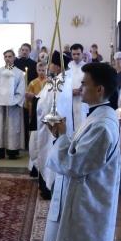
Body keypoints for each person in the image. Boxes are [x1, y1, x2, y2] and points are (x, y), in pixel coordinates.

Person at [34, 62, 120, 241]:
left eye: (85, 83)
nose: (80, 88)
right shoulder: (96, 117)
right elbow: (78, 151)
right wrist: (64, 137)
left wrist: (61, 137)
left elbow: (75, 163)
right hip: (78, 202)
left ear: (100, 89)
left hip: (87, 209)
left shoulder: (103, 125)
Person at [31, 52, 74, 199]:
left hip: (51, 126)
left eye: (51, 63)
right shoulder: (63, 79)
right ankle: (49, 187)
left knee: (48, 153)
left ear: (57, 66)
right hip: (53, 124)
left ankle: (49, 189)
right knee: (49, 153)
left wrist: (37, 103)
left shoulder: (59, 81)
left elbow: (48, 103)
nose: (48, 66)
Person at [0, 49, 27, 159]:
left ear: (14, 58)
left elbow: (21, 89)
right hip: (0, 105)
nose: (7, 58)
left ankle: (12, 151)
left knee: (13, 127)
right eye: (5, 56)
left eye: (10, 56)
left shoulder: (19, 73)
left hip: (13, 106)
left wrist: (13, 100)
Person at [68, 44, 88, 129]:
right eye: (74, 54)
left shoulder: (86, 67)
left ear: (82, 54)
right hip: (70, 98)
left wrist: (80, 90)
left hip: (82, 98)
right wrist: (70, 91)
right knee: (69, 123)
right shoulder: (68, 66)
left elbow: (88, 82)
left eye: (78, 54)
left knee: (81, 122)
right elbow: (64, 82)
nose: (76, 56)